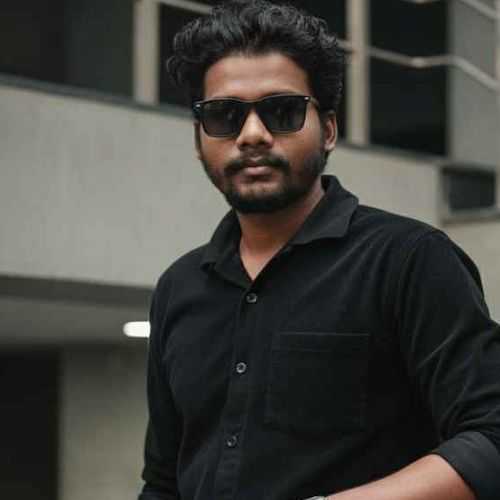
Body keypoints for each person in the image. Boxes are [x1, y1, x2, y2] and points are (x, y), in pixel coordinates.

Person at [138, 1, 500, 499]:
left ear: (328, 129)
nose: (252, 135)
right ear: (200, 138)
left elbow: (491, 438)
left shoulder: (409, 260)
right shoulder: (178, 288)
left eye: (282, 111)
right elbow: (163, 482)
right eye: (224, 116)